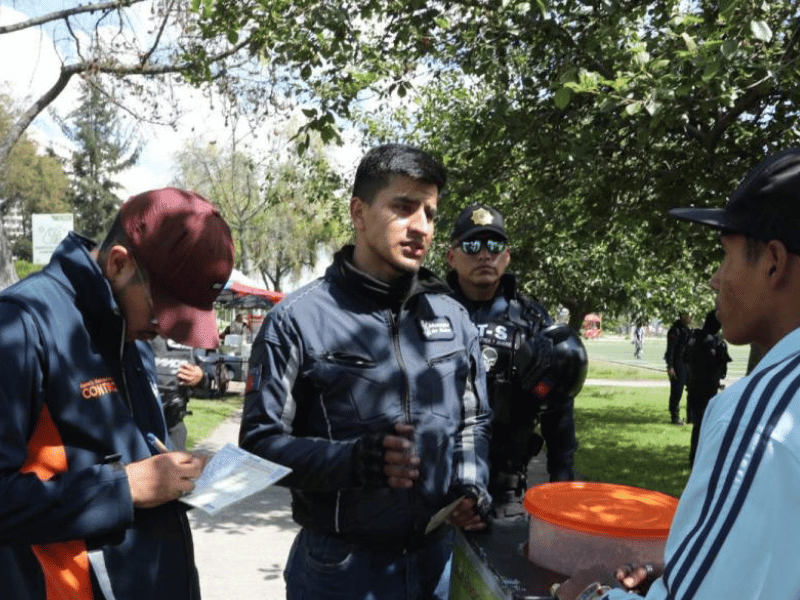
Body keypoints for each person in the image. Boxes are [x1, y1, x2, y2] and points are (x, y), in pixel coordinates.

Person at [239, 144, 492, 600]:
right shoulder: (296, 320)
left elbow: (473, 421)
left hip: (439, 560)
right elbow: (258, 449)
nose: (421, 227)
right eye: (403, 206)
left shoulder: (454, 320)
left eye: (431, 214)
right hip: (340, 571)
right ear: (358, 211)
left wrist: (470, 484)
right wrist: (353, 462)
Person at [554, 147, 800, 600]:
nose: (714, 278)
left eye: (725, 256)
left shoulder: (760, 420)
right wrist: (688, 569)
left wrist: (586, 594)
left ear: (773, 262)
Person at [0, 187, 234, 600]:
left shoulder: (129, 328)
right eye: (166, 311)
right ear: (119, 263)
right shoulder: (21, 324)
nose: (168, 330)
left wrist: (174, 470)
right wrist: (122, 489)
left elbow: (127, 453)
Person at [445, 203, 586, 518]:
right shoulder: (426, 313)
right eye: (472, 244)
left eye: (494, 245)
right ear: (451, 256)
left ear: (506, 256)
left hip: (505, 491)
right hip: (435, 485)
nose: (484, 254)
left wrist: (563, 478)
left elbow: (558, 404)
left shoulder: (532, 321)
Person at [684, 309, 731, 467]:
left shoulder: (693, 338)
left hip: (693, 385)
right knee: (706, 423)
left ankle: (693, 456)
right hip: (707, 387)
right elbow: (721, 368)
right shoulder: (715, 342)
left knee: (698, 423)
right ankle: (700, 458)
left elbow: (685, 359)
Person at [151, 335, 213, 450]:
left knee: (177, 465)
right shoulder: (143, 331)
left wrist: (200, 379)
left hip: (174, 424)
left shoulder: (189, 335)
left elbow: (206, 386)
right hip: (143, 425)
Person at [664, 312, 691, 424]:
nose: (689, 318)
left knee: (692, 390)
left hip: (687, 364)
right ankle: (674, 416)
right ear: (682, 316)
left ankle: (691, 416)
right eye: (687, 315)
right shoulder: (675, 330)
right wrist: (670, 366)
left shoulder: (686, 330)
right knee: (677, 390)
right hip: (677, 363)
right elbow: (670, 350)